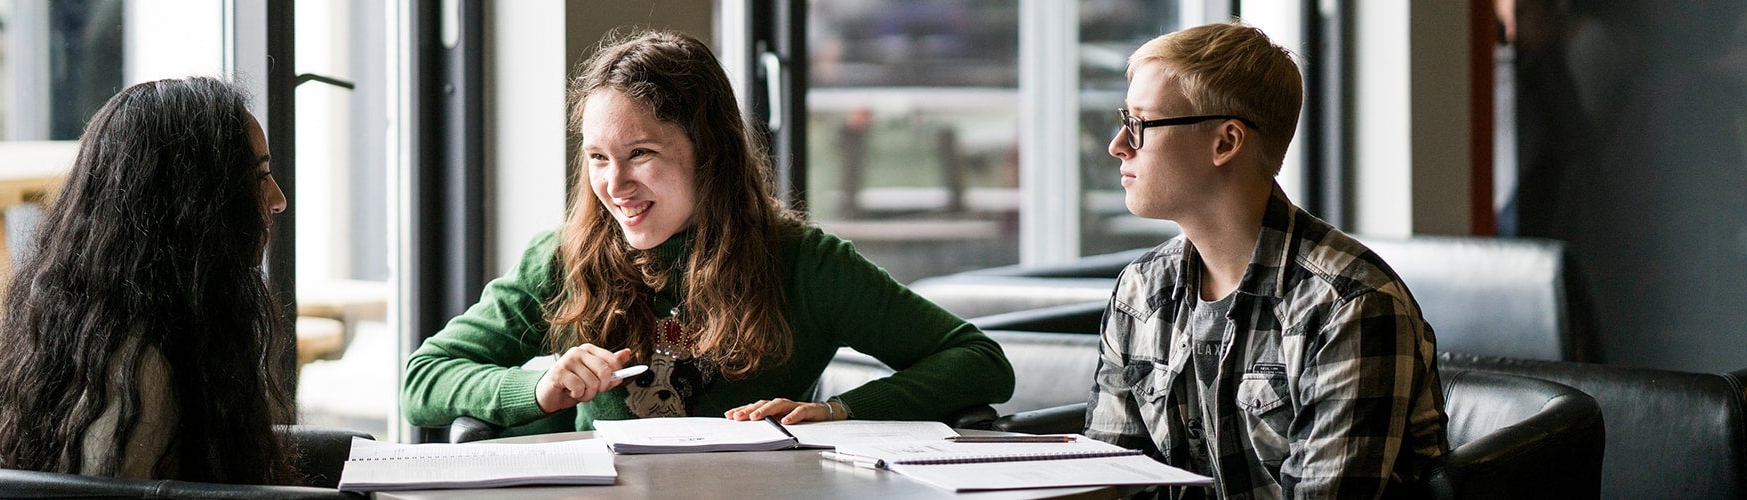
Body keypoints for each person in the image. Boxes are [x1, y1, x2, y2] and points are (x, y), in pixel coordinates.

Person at [401, 30, 1013, 431]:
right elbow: (423, 378)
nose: (613, 185)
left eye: (641, 154)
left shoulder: (803, 262)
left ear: (710, 153)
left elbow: (980, 361)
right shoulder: (563, 259)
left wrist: (840, 411)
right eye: (596, 158)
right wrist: (534, 384)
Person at [1085, 22, 1448, 498]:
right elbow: (1108, 482)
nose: (1118, 145)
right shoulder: (1141, 290)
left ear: (1225, 142)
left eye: (1139, 123)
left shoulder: (1351, 304)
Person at [0, 77, 297, 484]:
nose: (278, 200)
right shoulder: (141, 370)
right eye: (258, 177)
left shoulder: (86, 331)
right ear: (193, 203)